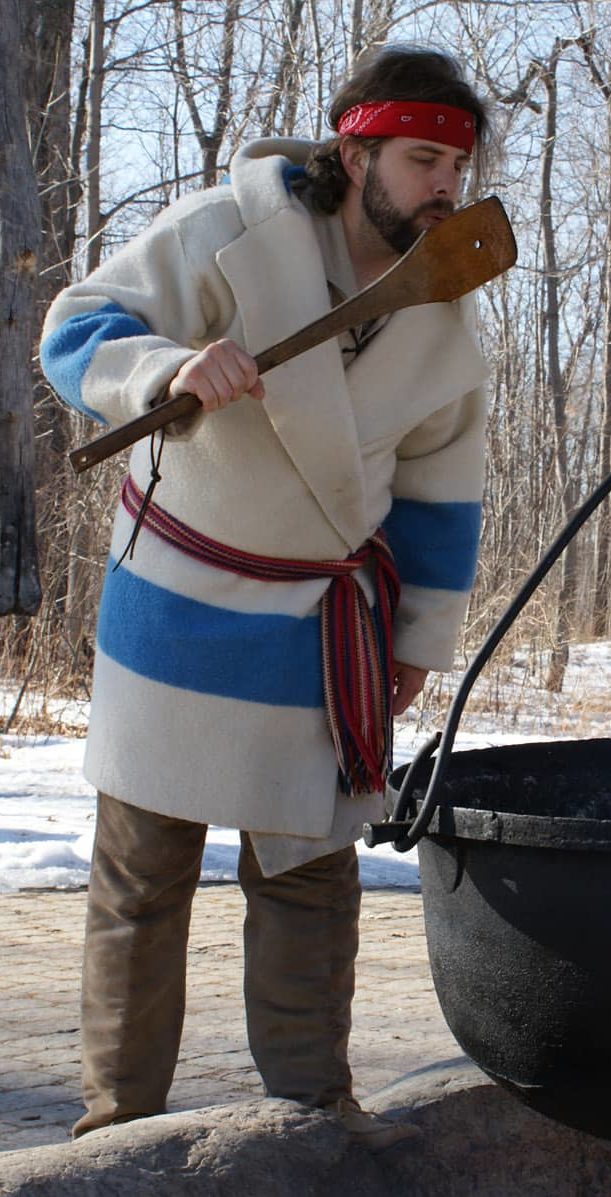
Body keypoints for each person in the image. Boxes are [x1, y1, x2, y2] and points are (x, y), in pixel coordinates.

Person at [40, 45, 491, 1149]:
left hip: (317, 630)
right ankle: (116, 1135)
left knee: (308, 881)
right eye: (422, 160)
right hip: (175, 602)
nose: (444, 186)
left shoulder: (442, 312)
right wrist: (167, 370)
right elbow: (75, 329)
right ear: (357, 152)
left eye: (457, 167)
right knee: (142, 883)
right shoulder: (221, 234)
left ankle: (313, 1125)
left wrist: (416, 638)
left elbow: (440, 492)